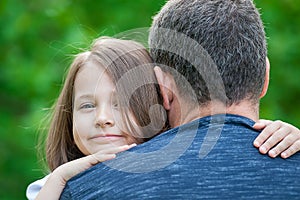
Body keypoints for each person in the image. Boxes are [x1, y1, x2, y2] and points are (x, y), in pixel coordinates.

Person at [59, 0, 300, 199]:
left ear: (163, 88)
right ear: (265, 78)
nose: (103, 119)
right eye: (88, 105)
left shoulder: (86, 190)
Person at [26, 37, 168, 199]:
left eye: (121, 103)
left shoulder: (174, 176)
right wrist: (59, 178)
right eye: (88, 106)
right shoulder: (53, 187)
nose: (102, 118)